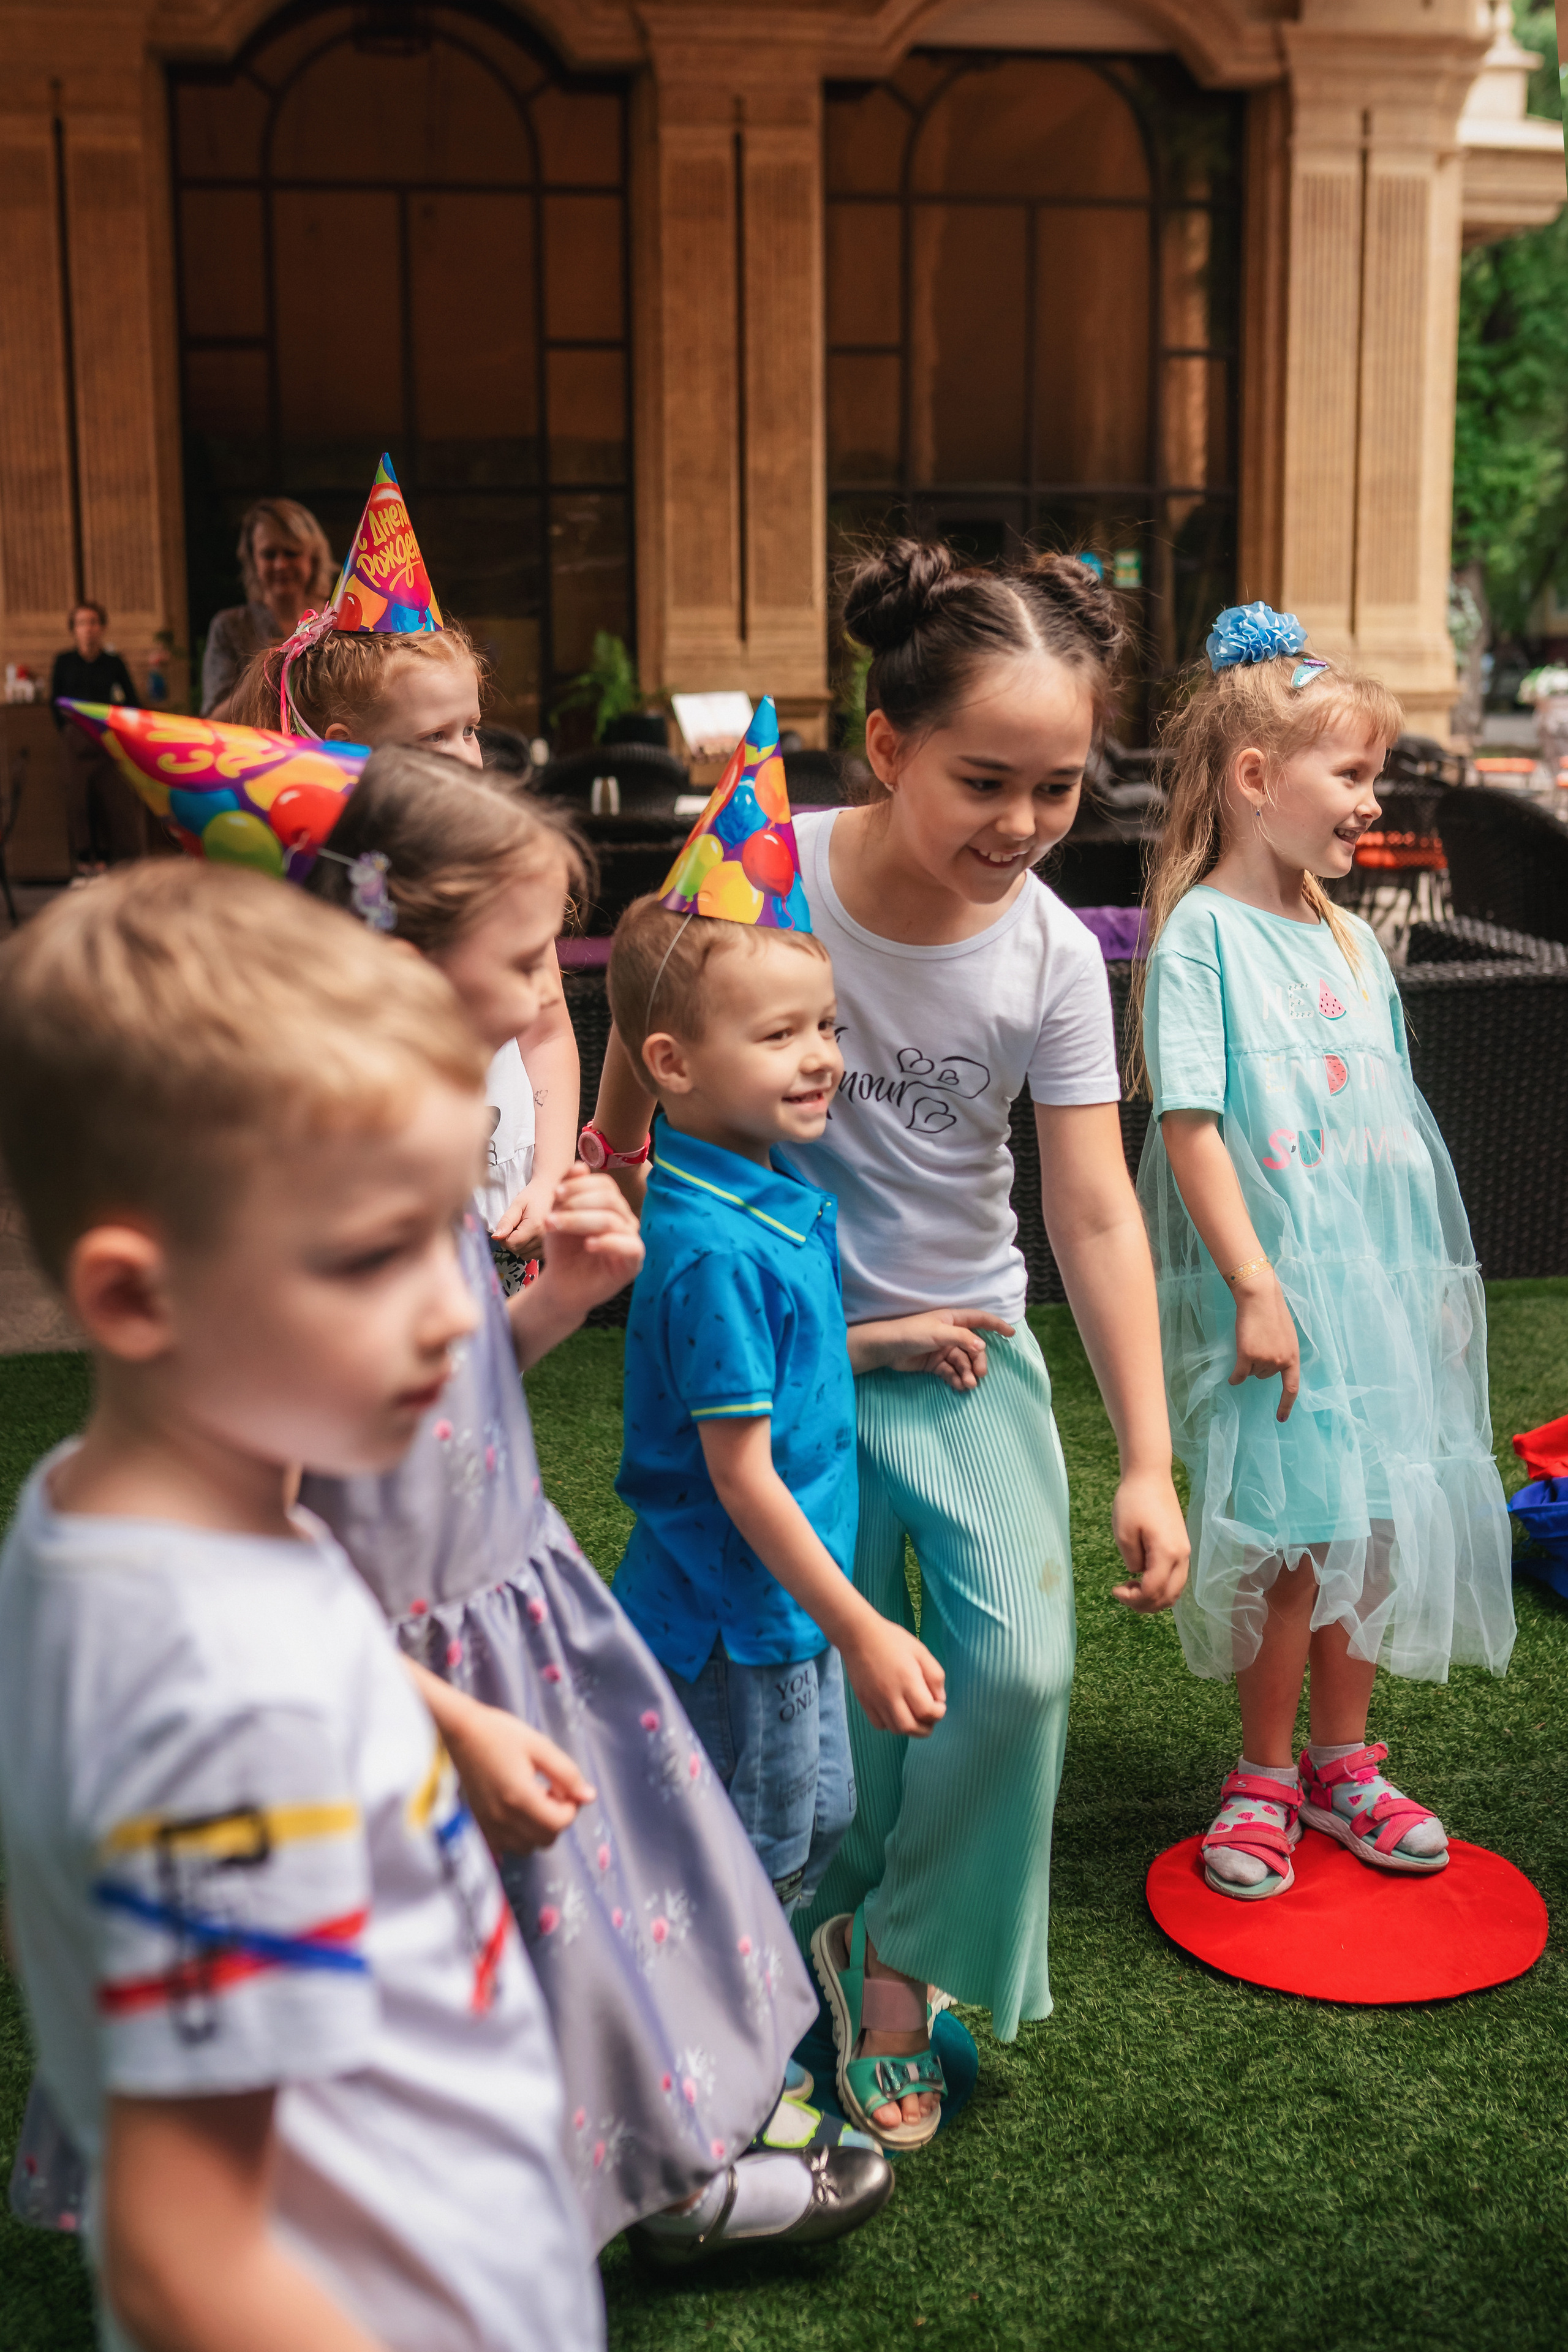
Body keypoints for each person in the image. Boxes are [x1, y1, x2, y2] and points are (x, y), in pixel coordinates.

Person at [589, 545, 1191, 2142]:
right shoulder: (769, 872)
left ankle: (904, 1949)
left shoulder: (1057, 952)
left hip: (971, 1345)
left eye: (1060, 787)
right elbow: (646, 975)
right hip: (785, 1360)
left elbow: (1096, 1211)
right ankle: (842, 1963)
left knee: (1018, 1668)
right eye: (986, 779)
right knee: (840, 1684)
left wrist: (1148, 1454)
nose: (1021, 823)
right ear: (889, 745)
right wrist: (614, 1150)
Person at [0, 860, 604, 2352]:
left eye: (443, 1227)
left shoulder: (111, 1501)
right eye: (367, 1254)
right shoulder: (227, 1702)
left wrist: (441, 1717)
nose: (456, 1307)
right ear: (137, 1299)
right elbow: (184, 2258)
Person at [300, 746, 891, 2261]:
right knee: (481, 1931)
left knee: (583, 1900)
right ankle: (628, 2180)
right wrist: (425, 1699)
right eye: (519, 960)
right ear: (396, 959)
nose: (541, 1005)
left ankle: (656, 2147)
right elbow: (280, 1506)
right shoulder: (321, 1204)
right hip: (415, 1650)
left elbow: (437, 1398)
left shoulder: (423, 1159)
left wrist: (554, 1299)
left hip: (510, 1597)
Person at [1132, 604, 1515, 1901]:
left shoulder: (1351, 939)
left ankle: (1340, 1764)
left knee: (1375, 1520)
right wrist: (1253, 1288)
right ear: (1253, 780)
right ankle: (1258, 1772)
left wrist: (1433, 1289)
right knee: (1293, 1537)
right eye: (1348, 776)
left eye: (1371, 778)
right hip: (1282, 1300)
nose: (1368, 803)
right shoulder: (1199, 940)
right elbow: (1189, 1128)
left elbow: (1392, 1129)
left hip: (1377, 1292)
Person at [229, 458, 578, 1286]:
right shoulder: (311, 897)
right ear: (350, 744)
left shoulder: (507, 871)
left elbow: (550, 1029)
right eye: (437, 737)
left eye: (473, 729)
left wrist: (552, 1173)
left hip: (507, 1225)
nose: (470, 754)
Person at [201, 496, 335, 718]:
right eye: (269, 554)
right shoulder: (230, 627)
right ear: (253, 561)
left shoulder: (336, 621)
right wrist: (268, 669)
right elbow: (214, 721)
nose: (281, 564)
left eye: (291, 553)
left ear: (314, 557)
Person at [49, 602, 144, 869]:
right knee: (77, 800)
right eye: (81, 623)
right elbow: (55, 701)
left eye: (93, 622)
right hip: (74, 740)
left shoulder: (114, 663)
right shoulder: (64, 661)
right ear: (74, 630)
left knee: (110, 798)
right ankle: (83, 861)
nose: (88, 629)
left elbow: (132, 700)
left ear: (101, 628)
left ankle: (107, 858)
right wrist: (67, 731)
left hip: (106, 738)